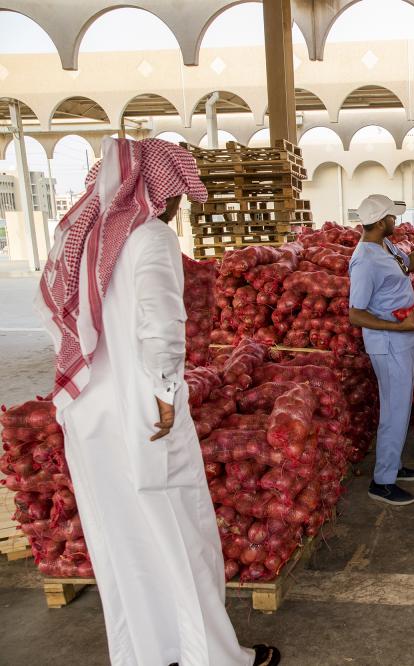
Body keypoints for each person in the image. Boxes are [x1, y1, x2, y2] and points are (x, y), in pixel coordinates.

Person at [36, 137, 279, 666]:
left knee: (123, 541)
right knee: (178, 535)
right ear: (157, 188)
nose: (179, 204)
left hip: (89, 416)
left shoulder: (80, 241)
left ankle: (147, 654)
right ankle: (212, 658)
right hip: (145, 412)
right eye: (177, 192)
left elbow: (56, 321)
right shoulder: (149, 238)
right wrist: (167, 394)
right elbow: (161, 329)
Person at [348, 194, 414, 506]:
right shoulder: (365, 261)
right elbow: (355, 313)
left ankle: (393, 466)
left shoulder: (385, 247)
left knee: (400, 407)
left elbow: (407, 264)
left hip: (403, 340)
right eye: (392, 218)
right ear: (381, 221)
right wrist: (399, 327)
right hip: (388, 344)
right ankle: (381, 482)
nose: (395, 222)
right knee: (394, 409)